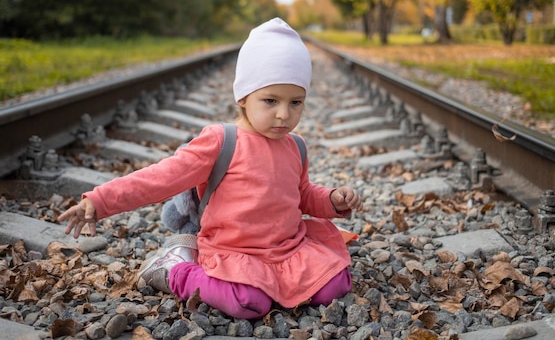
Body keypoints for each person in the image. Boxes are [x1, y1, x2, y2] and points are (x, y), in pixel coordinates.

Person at [58, 17, 363, 320]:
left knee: (334, 286)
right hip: (234, 252)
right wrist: (100, 201)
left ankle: (279, 280)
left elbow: (302, 194)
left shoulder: (295, 145)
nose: (284, 114)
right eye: (270, 100)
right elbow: (161, 178)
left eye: (296, 102)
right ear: (243, 96)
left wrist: (332, 199)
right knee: (247, 303)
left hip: (286, 248)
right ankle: (174, 270)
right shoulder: (222, 140)